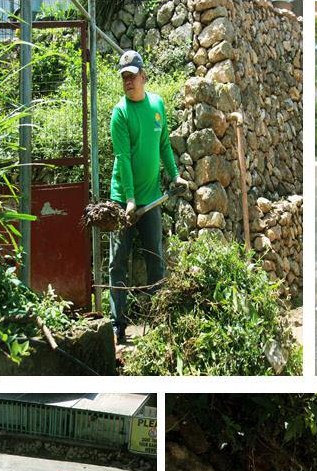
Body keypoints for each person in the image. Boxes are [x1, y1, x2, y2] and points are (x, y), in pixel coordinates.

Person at [107, 50, 187, 346]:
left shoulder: (157, 106)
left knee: (155, 258)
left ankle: (158, 323)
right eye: (124, 77)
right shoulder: (121, 113)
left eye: (132, 75)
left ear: (144, 76)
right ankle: (118, 326)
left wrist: (175, 175)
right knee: (118, 262)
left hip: (151, 197)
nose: (128, 81)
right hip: (122, 199)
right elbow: (123, 158)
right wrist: (128, 200)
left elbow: (164, 144)